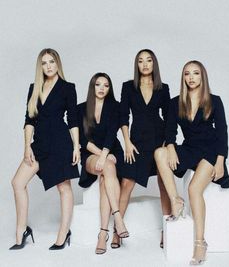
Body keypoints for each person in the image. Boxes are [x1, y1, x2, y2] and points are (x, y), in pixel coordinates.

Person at [155, 60, 229, 265]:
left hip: (210, 151)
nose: (191, 77)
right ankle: (175, 200)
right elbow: (169, 131)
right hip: (189, 148)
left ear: (202, 77)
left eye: (196, 73)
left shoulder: (215, 100)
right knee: (159, 153)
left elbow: (222, 133)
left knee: (194, 188)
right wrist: (170, 147)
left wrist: (220, 161)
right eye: (187, 74)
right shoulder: (175, 102)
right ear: (184, 78)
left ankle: (200, 243)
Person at [10, 48, 80, 250]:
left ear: (58, 63)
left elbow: (73, 119)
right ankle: (22, 230)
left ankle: (63, 232)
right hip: (39, 143)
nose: (48, 66)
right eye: (44, 63)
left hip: (60, 143)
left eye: (52, 62)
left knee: (63, 187)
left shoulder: (68, 88)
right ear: (40, 66)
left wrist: (76, 146)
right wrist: (26, 147)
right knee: (17, 183)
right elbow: (29, 119)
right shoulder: (35, 88)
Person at [111, 49, 171, 249]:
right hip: (136, 141)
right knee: (127, 182)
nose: (145, 64)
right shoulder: (128, 87)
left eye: (149, 60)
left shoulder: (163, 88)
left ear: (154, 64)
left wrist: (167, 145)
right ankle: (116, 230)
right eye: (140, 61)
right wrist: (127, 142)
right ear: (136, 65)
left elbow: (169, 118)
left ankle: (167, 230)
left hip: (158, 140)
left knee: (164, 183)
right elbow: (123, 116)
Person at [77, 72, 128, 255]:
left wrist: (106, 154)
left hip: (112, 151)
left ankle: (103, 233)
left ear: (109, 89)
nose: (102, 88)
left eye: (106, 85)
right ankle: (118, 218)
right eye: (98, 84)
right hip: (91, 153)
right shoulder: (80, 109)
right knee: (107, 167)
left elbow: (111, 134)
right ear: (92, 86)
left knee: (105, 175)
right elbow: (83, 140)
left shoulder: (114, 107)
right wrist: (102, 156)